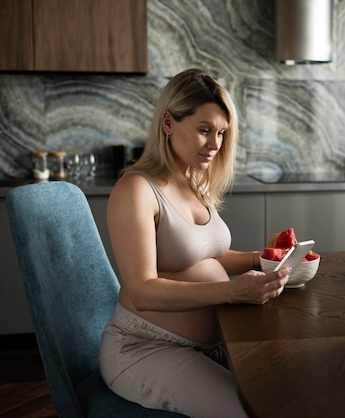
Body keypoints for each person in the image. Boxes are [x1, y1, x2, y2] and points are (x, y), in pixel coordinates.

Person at [98, 68, 289, 417]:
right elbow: (142, 290)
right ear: (169, 123)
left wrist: (259, 259)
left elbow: (204, 258)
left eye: (221, 133)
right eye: (204, 131)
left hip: (213, 345)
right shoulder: (136, 190)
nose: (215, 145)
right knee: (247, 411)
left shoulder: (194, 180)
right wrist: (233, 291)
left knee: (286, 393)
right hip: (144, 349)